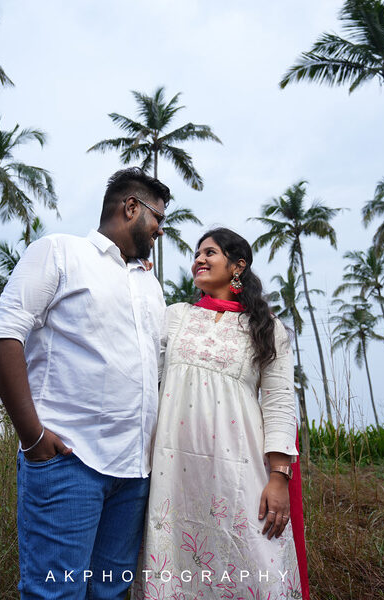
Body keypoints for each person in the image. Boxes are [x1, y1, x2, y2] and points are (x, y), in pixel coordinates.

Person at [0, 167, 170, 600]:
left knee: (109, 595)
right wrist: (32, 438)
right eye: (157, 219)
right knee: (56, 593)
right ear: (130, 208)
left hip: (135, 473)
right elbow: (3, 334)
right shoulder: (60, 252)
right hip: (70, 462)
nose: (159, 231)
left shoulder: (150, 285)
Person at [134, 227, 302, 599]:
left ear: (238, 265)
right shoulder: (176, 317)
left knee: (253, 559)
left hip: (238, 469)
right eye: (196, 253)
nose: (199, 259)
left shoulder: (266, 329)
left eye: (209, 252)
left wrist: (278, 477)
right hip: (172, 469)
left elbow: (279, 403)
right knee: (175, 562)